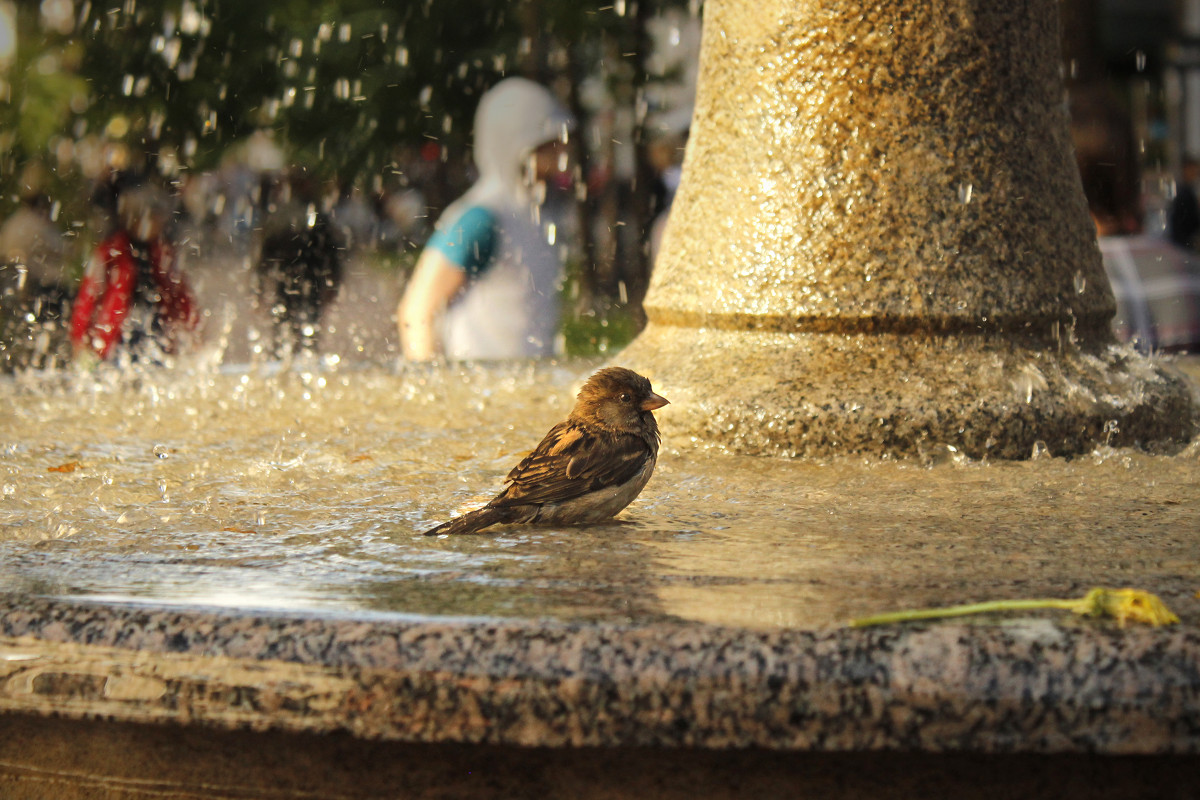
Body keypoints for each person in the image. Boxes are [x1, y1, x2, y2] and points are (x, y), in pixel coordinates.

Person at [398, 77, 572, 361]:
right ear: (515, 144)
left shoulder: (537, 212)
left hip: (528, 382)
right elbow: (418, 310)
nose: (561, 152)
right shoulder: (481, 218)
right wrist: (434, 388)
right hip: (481, 387)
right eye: (548, 144)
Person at [69, 181, 198, 366]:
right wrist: (80, 336)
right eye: (155, 217)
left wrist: (192, 324)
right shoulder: (111, 252)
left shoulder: (162, 252)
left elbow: (179, 291)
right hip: (117, 332)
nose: (160, 223)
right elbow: (89, 294)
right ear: (137, 218)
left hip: (155, 326)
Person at [255, 169, 344, 356]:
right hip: (292, 278)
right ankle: (289, 357)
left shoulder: (311, 216)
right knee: (287, 322)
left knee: (304, 324)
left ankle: (297, 357)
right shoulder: (287, 215)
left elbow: (331, 251)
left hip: (308, 278)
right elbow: (267, 252)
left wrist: (334, 281)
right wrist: (260, 284)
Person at [0, 192, 70, 369]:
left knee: (19, 326)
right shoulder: (39, 224)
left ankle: (17, 361)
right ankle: (43, 362)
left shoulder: (13, 222)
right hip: (40, 284)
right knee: (46, 326)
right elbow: (62, 248)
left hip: (13, 282)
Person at [1167, 157, 1200, 251]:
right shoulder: (1184, 192)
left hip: (1183, 240)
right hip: (1184, 241)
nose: (1195, 173)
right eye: (1193, 170)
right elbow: (1189, 219)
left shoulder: (1187, 191)